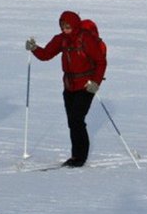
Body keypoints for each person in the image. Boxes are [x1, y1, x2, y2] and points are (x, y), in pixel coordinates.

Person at [26, 11, 106, 167]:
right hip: (69, 86)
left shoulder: (86, 38)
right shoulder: (61, 39)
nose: (65, 29)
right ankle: (76, 155)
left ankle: (79, 158)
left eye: (68, 26)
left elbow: (101, 62)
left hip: (86, 86)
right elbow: (46, 54)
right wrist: (34, 48)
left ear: (75, 25)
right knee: (72, 121)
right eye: (63, 26)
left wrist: (95, 83)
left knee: (77, 119)